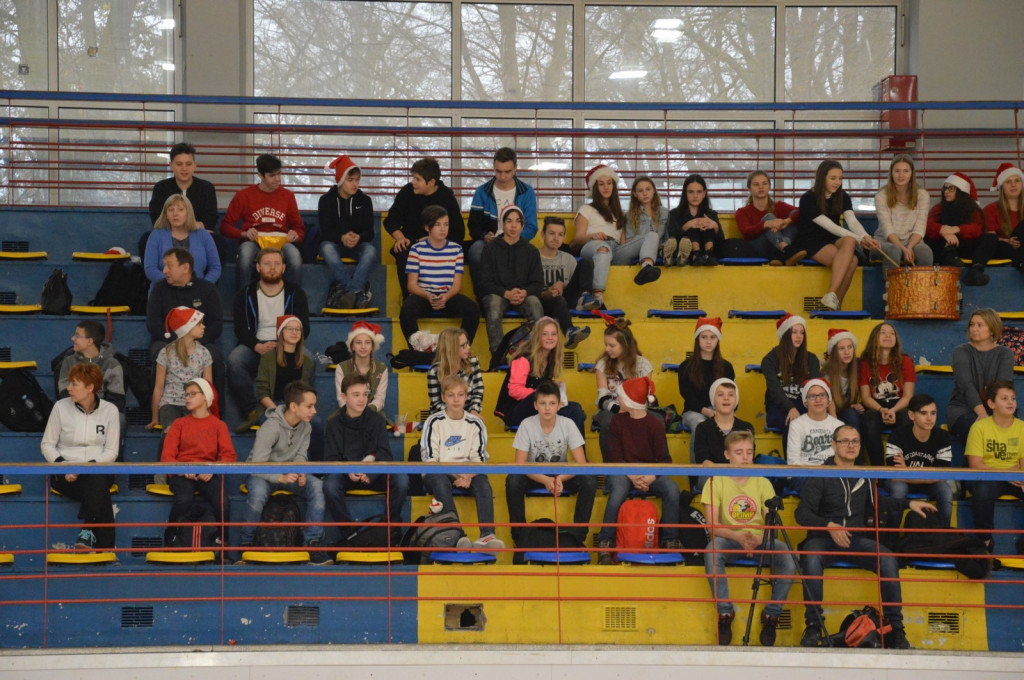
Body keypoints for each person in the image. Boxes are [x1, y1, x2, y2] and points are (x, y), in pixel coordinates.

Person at [796, 424, 936, 649]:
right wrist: (828, 526)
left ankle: (896, 630)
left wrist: (908, 503)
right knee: (810, 556)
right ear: (833, 445)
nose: (850, 446)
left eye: (855, 441)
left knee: (887, 559)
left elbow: (877, 503)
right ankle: (813, 626)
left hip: (856, 540)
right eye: (845, 441)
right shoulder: (820, 473)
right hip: (824, 540)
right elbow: (801, 513)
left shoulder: (865, 473)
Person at [703, 430, 796, 647]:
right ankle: (725, 614)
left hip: (759, 538)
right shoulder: (715, 481)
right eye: (739, 452)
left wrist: (758, 538)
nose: (745, 457)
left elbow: (771, 524)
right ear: (727, 455)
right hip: (729, 537)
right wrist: (737, 535)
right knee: (711, 551)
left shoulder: (763, 482)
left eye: (748, 452)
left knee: (788, 558)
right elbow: (712, 525)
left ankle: (772, 615)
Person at [239, 381, 329, 564]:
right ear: (293, 406)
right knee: (258, 493)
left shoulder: (306, 426)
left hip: (288, 474)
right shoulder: (270, 427)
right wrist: (280, 477)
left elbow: (301, 455)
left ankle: (312, 543)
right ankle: (246, 543)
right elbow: (257, 465)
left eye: (314, 406)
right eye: (309, 406)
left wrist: (300, 471)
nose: (314, 411)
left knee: (317, 486)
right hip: (261, 473)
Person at [596, 376, 681, 564]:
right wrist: (633, 476)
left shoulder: (655, 424)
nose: (617, 399)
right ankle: (606, 542)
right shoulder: (617, 421)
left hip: (650, 473)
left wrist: (650, 477)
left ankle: (670, 541)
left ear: (630, 402)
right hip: (624, 471)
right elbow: (615, 457)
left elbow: (665, 460)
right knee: (618, 489)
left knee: (672, 489)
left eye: (620, 396)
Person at [505, 380, 597, 546]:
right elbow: (520, 465)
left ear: (559, 405)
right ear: (535, 405)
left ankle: (578, 537)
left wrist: (559, 478)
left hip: (561, 475)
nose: (547, 408)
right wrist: (546, 480)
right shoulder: (527, 425)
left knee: (589, 480)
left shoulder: (568, 424)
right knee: (513, 480)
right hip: (534, 475)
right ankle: (520, 537)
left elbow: (581, 463)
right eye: (543, 403)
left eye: (552, 403)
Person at [40, 363, 119, 551]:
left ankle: (89, 530)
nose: (68, 388)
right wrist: (65, 466)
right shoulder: (60, 407)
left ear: (90, 387)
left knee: (97, 478)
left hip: (97, 470)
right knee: (100, 490)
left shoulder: (110, 410)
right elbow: (47, 445)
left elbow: (111, 451)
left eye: (74, 384)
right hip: (65, 474)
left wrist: (85, 468)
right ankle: (103, 548)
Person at [421, 375, 506, 551]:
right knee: (439, 481)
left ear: (466, 396)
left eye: (460, 395)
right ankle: (458, 535)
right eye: (451, 395)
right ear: (443, 397)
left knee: (483, 483)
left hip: (468, 471)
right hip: (439, 471)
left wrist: (468, 475)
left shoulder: (475, 423)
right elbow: (430, 459)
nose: (456, 399)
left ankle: (487, 535)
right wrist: (457, 473)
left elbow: (479, 458)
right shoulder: (434, 421)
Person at [229, 247, 310, 424]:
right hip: (256, 344)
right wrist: (257, 345)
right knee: (235, 361)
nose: (272, 268)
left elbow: (304, 327)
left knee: (308, 359)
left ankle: (298, 408)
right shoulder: (245, 294)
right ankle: (252, 411)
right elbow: (240, 329)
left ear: (284, 267)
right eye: (267, 264)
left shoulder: (296, 293)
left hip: (286, 343)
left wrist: (284, 344)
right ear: (258, 267)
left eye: (277, 264)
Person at [323, 374, 409, 538]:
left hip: (373, 473)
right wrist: (348, 471)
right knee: (330, 486)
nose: (362, 399)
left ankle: (387, 529)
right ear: (344, 397)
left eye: (365, 394)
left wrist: (370, 472)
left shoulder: (377, 420)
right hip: (346, 474)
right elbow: (331, 459)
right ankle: (349, 534)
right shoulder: (333, 423)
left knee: (402, 480)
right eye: (356, 395)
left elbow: (385, 454)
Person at [159, 377, 235, 549]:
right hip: (181, 474)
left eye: (192, 394)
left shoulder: (219, 425)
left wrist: (214, 469)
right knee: (184, 499)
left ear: (206, 397)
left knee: (222, 502)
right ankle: (171, 537)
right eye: (186, 394)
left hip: (208, 473)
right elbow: (167, 456)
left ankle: (222, 542)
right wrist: (182, 470)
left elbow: (229, 455)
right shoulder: (178, 424)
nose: (187, 398)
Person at [793, 160, 880, 310]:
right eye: (833, 178)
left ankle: (831, 297)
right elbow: (830, 226)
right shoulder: (808, 198)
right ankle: (836, 302)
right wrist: (860, 239)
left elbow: (852, 222)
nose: (837, 182)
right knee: (852, 261)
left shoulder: (843, 196)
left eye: (840, 178)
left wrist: (866, 236)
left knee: (849, 241)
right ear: (822, 178)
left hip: (832, 239)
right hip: (811, 240)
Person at [571, 165, 658, 308]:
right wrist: (593, 235)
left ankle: (646, 268)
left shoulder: (619, 213)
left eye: (609, 183)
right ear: (595, 188)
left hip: (615, 249)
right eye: (601, 184)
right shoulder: (586, 209)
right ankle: (597, 296)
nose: (606, 187)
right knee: (603, 248)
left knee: (652, 235)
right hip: (592, 246)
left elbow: (622, 241)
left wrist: (630, 244)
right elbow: (578, 238)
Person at [398, 205, 480, 345]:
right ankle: (417, 350)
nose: (443, 229)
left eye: (446, 224)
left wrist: (446, 296)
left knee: (472, 310)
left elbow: (457, 284)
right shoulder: (416, 249)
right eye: (438, 225)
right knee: (406, 311)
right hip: (424, 295)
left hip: (447, 296)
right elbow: (411, 285)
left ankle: (460, 348)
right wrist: (427, 295)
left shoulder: (456, 249)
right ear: (427, 227)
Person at [383, 157, 463, 299]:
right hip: (411, 242)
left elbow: (458, 232)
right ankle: (409, 299)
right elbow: (390, 220)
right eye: (413, 178)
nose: (413, 182)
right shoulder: (407, 192)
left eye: (418, 179)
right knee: (403, 251)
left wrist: (433, 240)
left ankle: (442, 297)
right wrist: (400, 238)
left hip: (439, 245)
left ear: (431, 182)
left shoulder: (447, 197)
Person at [220, 153, 304, 288]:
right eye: (272, 175)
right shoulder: (244, 195)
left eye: (279, 174)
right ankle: (244, 297)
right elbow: (225, 227)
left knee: (295, 258)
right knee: (245, 256)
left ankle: (292, 298)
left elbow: (299, 228)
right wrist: (244, 234)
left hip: (281, 241)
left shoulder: (288, 196)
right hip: (253, 240)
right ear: (260, 175)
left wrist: (296, 235)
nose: (277, 179)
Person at [494, 317, 586, 436]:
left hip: (540, 408)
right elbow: (514, 390)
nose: (550, 337)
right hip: (517, 411)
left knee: (575, 409)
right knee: (547, 399)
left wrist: (552, 386)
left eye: (553, 334)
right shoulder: (523, 358)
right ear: (537, 336)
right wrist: (543, 393)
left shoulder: (551, 359)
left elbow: (538, 384)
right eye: (545, 334)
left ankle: (579, 449)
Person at [478, 204, 545, 367]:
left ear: (522, 225)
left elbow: (538, 284)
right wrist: (505, 293)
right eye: (509, 221)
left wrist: (525, 292)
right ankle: (499, 356)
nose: (513, 226)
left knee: (535, 303)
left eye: (517, 221)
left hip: (523, 296)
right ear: (502, 224)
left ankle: (538, 356)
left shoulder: (531, 251)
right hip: (499, 295)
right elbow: (484, 283)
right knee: (493, 303)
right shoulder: (489, 249)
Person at [145, 248, 224, 378]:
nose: (164, 271)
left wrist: (193, 343)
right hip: (167, 342)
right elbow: (153, 324)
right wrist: (178, 344)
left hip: (200, 342)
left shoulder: (208, 289)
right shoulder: (159, 289)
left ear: (185, 267)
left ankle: (213, 392)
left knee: (214, 355)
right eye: (164, 266)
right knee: (158, 352)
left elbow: (215, 325)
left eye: (169, 265)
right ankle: (157, 392)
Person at [467, 147, 538, 289]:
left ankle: (520, 294)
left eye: (507, 172)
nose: (503, 176)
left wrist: (513, 239)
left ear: (515, 168)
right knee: (476, 250)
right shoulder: (482, 192)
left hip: (517, 240)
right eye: (498, 171)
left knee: (531, 253)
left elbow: (531, 227)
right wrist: (484, 236)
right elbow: (473, 225)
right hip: (490, 243)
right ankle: (483, 296)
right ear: (493, 168)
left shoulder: (527, 192)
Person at [965, 380, 1024, 544]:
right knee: (983, 490)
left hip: (1015, 477)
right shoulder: (979, 427)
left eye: (1013, 398)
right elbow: (975, 465)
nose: (1010, 402)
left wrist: (1021, 476)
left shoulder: (1022, 427)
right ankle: (985, 540)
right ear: (991, 404)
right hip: (987, 477)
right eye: (1004, 398)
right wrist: (1005, 473)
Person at [318, 154, 377, 308]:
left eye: (357, 180)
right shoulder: (326, 200)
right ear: (340, 180)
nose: (355, 184)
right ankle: (357, 292)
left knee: (370, 251)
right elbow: (325, 231)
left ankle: (350, 292)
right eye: (350, 180)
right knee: (326, 248)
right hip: (334, 243)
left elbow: (369, 232)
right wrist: (341, 237)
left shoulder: (365, 201)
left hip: (358, 245)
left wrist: (358, 237)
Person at [885, 393, 953, 526]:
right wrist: (930, 475)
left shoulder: (943, 437)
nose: (929, 418)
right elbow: (896, 475)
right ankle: (891, 536)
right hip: (901, 483)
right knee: (898, 489)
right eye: (923, 413)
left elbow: (942, 475)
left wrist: (907, 471)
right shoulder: (897, 436)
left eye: (933, 413)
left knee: (945, 490)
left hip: (924, 483)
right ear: (911, 415)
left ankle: (944, 534)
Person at [947, 308, 1014, 441]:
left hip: (996, 409)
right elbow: (966, 385)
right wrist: (982, 414)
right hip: (963, 410)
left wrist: (996, 416)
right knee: (981, 431)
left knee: (1011, 431)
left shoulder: (1005, 353)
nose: (974, 329)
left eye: (980, 325)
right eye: (972, 325)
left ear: (992, 330)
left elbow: (1003, 387)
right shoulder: (960, 351)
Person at [240, 315, 315, 432]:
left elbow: (306, 392)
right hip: (272, 406)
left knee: (316, 424)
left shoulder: (306, 361)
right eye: (290, 329)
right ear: (281, 332)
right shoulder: (268, 357)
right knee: (279, 424)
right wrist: (278, 411)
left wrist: (297, 410)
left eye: (298, 329)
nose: (294, 332)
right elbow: (262, 393)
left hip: (296, 406)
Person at [593, 315, 653, 462]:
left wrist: (631, 410)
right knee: (609, 422)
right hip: (611, 409)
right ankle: (611, 467)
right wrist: (617, 409)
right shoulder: (602, 364)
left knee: (656, 421)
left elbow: (646, 397)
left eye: (612, 345)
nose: (607, 349)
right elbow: (602, 398)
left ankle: (648, 466)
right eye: (606, 345)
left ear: (625, 345)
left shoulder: (644, 365)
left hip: (637, 409)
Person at [147, 142, 222, 258]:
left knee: (218, 242)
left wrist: (186, 227)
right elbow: (157, 218)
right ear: (171, 165)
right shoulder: (161, 188)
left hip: (198, 235)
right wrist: (185, 227)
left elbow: (210, 220)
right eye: (179, 164)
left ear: (195, 165)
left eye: (188, 164)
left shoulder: (206, 188)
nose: (184, 169)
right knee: (145, 240)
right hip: (168, 234)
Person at [677, 317, 736, 463]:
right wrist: (706, 411)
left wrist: (723, 411)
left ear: (718, 340)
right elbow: (687, 395)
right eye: (704, 337)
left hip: (721, 410)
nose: (708, 341)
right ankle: (697, 471)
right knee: (699, 423)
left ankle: (728, 468)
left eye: (712, 337)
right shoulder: (686, 366)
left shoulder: (726, 367)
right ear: (697, 339)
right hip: (694, 411)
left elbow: (733, 394)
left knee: (734, 425)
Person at [858, 322, 916, 467]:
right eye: (883, 332)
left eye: (892, 333)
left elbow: (908, 396)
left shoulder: (906, 361)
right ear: (874, 338)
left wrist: (893, 410)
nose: (888, 336)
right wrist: (881, 410)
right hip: (876, 406)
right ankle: (879, 471)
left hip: (900, 404)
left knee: (907, 419)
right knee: (869, 423)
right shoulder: (865, 363)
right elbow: (866, 397)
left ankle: (900, 468)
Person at [148, 307, 213, 432]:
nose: (203, 326)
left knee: (195, 433)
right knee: (171, 431)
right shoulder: (166, 352)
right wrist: (155, 418)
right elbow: (159, 387)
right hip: (170, 403)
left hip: (195, 403)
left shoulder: (204, 353)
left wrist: (208, 413)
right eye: (199, 324)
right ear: (188, 328)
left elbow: (208, 388)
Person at [761, 313, 820, 446]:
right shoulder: (770, 360)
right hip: (779, 406)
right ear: (785, 334)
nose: (799, 336)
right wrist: (790, 408)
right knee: (794, 423)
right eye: (794, 332)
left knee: (812, 422)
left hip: (805, 404)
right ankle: (792, 459)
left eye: (802, 333)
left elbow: (815, 386)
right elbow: (774, 389)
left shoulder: (811, 359)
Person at [537, 216, 593, 347]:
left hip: (565, 299)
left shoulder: (569, 259)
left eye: (560, 234)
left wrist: (562, 285)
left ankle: (585, 297)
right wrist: (548, 292)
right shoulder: (533, 257)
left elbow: (573, 286)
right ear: (543, 235)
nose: (556, 238)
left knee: (587, 262)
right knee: (558, 300)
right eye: (552, 233)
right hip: (543, 301)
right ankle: (569, 331)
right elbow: (528, 289)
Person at [144, 194, 221, 287]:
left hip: (198, 290)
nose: (175, 214)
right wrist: (172, 283)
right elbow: (150, 268)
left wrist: (202, 287)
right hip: (164, 290)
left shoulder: (203, 235)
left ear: (188, 213)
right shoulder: (156, 235)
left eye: (180, 210)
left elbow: (215, 268)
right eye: (171, 210)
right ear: (166, 215)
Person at [692, 378, 754, 493]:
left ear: (736, 399)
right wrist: (726, 478)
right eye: (721, 395)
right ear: (713, 399)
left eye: (731, 395)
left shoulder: (746, 427)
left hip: (740, 474)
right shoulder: (703, 428)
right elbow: (704, 461)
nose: (726, 398)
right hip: (711, 475)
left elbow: (749, 460)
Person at [926, 172, 989, 285]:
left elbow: (977, 229)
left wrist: (957, 229)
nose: (946, 192)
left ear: (961, 191)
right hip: (944, 248)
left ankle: (976, 270)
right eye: (945, 188)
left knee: (990, 238)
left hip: (966, 246)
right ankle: (951, 260)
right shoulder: (939, 208)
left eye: (951, 189)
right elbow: (928, 225)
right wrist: (942, 230)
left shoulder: (973, 210)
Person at [873, 154, 932, 272]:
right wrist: (903, 248)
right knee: (894, 250)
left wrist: (909, 247)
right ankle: (890, 284)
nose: (901, 175)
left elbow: (920, 228)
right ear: (891, 173)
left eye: (905, 171)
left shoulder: (922, 195)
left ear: (912, 173)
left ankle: (921, 284)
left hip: (912, 242)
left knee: (925, 252)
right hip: (885, 242)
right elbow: (887, 230)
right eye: (897, 171)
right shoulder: (881, 196)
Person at [734, 170, 804, 265]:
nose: (761, 187)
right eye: (756, 184)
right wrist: (766, 224)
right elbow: (746, 233)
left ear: (769, 187)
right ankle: (785, 249)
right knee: (769, 217)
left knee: (794, 219)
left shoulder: (779, 206)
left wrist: (787, 221)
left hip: (778, 248)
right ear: (749, 189)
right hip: (760, 248)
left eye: (764, 183)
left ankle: (781, 253)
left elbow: (801, 212)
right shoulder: (742, 212)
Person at [56, 320, 125, 412]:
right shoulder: (68, 362)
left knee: (120, 417)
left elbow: (117, 400)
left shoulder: (112, 364)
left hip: (103, 413)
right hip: (74, 412)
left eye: (77, 336)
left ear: (89, 341)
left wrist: (94, 411)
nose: (73, 338)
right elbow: (64, 394)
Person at [666, 173, 723, 266]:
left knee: (707, 224)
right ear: (685, 193)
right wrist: (687, 226)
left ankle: (709, 254)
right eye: (691, 192)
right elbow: (671, 238)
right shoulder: (675, 214)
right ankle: (696, 254)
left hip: (712, 258)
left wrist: (715, 226)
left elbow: (721, 241)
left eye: (699, 192)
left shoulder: (711, 214)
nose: (695, 196)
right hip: (685, 257)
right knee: (692, 226)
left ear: (704, 194)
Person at [786, 379, 844, 469]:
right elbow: (793, 462)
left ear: (828, 400)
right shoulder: (796, 425)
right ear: (805, 401)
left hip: (831, 474)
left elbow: (843, 460)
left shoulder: (839, 426)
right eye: (812, 396)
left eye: (822, 395)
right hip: (804, 474)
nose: (818, 399)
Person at [427, 327, 484, 416]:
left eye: (467, 343)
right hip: (443, 416)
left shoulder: (473, 362)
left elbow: (478, 389)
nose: (468, 347)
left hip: (469, 414)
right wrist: (459, 415)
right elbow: (436, 403)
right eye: (463, 345)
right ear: (452, 348)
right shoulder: (434, 371)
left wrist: (474, 410)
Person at [334, 321, 388, 414]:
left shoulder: (382, 369)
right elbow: (341, 397)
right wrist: (353, 412)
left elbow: (380, 398)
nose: (363, 347)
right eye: (358, 343)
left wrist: (367, 411)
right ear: (352, 347)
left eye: (367, 343)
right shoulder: (341, 367)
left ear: (372, 347)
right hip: (347, 412)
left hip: (373, 413)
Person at [981, 162, 1024, 274]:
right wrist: (1008, 241)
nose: (1013, 185)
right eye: (1008, 182)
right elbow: (989, 239)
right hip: (1002, 249)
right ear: (1002, 187)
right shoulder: (990, 209)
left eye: (1017, 181)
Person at [821, 328, 862, 428]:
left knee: (852, 414)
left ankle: (856, 439)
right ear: (834, 352)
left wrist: (860, 405)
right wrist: (835, 421)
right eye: (841, 349)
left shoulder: (858, 368)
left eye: (850, 347)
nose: (847, 352)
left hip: (848, 412)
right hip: (829, 414)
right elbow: (828, 401)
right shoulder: (826, 373)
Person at [627, 175, 673, 264]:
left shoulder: (665, 213)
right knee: (652, 236)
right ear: (635, 194)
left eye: (648, 189)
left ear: (654, 190)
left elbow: (669, 238)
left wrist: (661, 247)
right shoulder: (629, 215)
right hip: (639, 252)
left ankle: (662, 255)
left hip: (662, 250)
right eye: (640, 191)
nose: (645, 193)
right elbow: (630, 240)